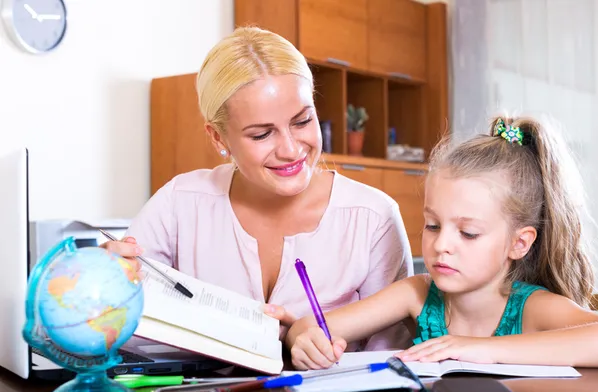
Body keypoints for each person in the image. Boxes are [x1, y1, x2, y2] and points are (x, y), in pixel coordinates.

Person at [102, 26, 414, 350]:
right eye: (262, 135)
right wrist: (100, 284)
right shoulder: (179, 203)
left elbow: (391, 360)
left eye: (302, 121)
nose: (292, 150)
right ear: (218, 138)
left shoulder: (374, 217)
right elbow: (119, 334)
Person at [285, 115, 598, 370]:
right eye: (433, 225)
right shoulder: (417, 293)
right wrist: (304, 340)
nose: (441, 244)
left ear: (519, 243)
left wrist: (478, 349)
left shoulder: (533, 307)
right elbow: (309, 326)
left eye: (468, 233)